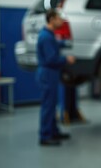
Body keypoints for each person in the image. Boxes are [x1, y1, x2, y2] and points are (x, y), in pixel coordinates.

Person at [36, 9, 75, 146]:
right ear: (52, 19)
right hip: (48, 74)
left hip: (50, 74)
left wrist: (64, 43)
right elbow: (51, 59)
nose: (61, 21)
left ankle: (53, 131)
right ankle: (45, 136)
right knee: (48, 106)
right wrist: (66, 59)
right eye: (59, 18)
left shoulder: (49, 35)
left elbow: (55, 45)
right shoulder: (46, 37)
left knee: (52, 105)